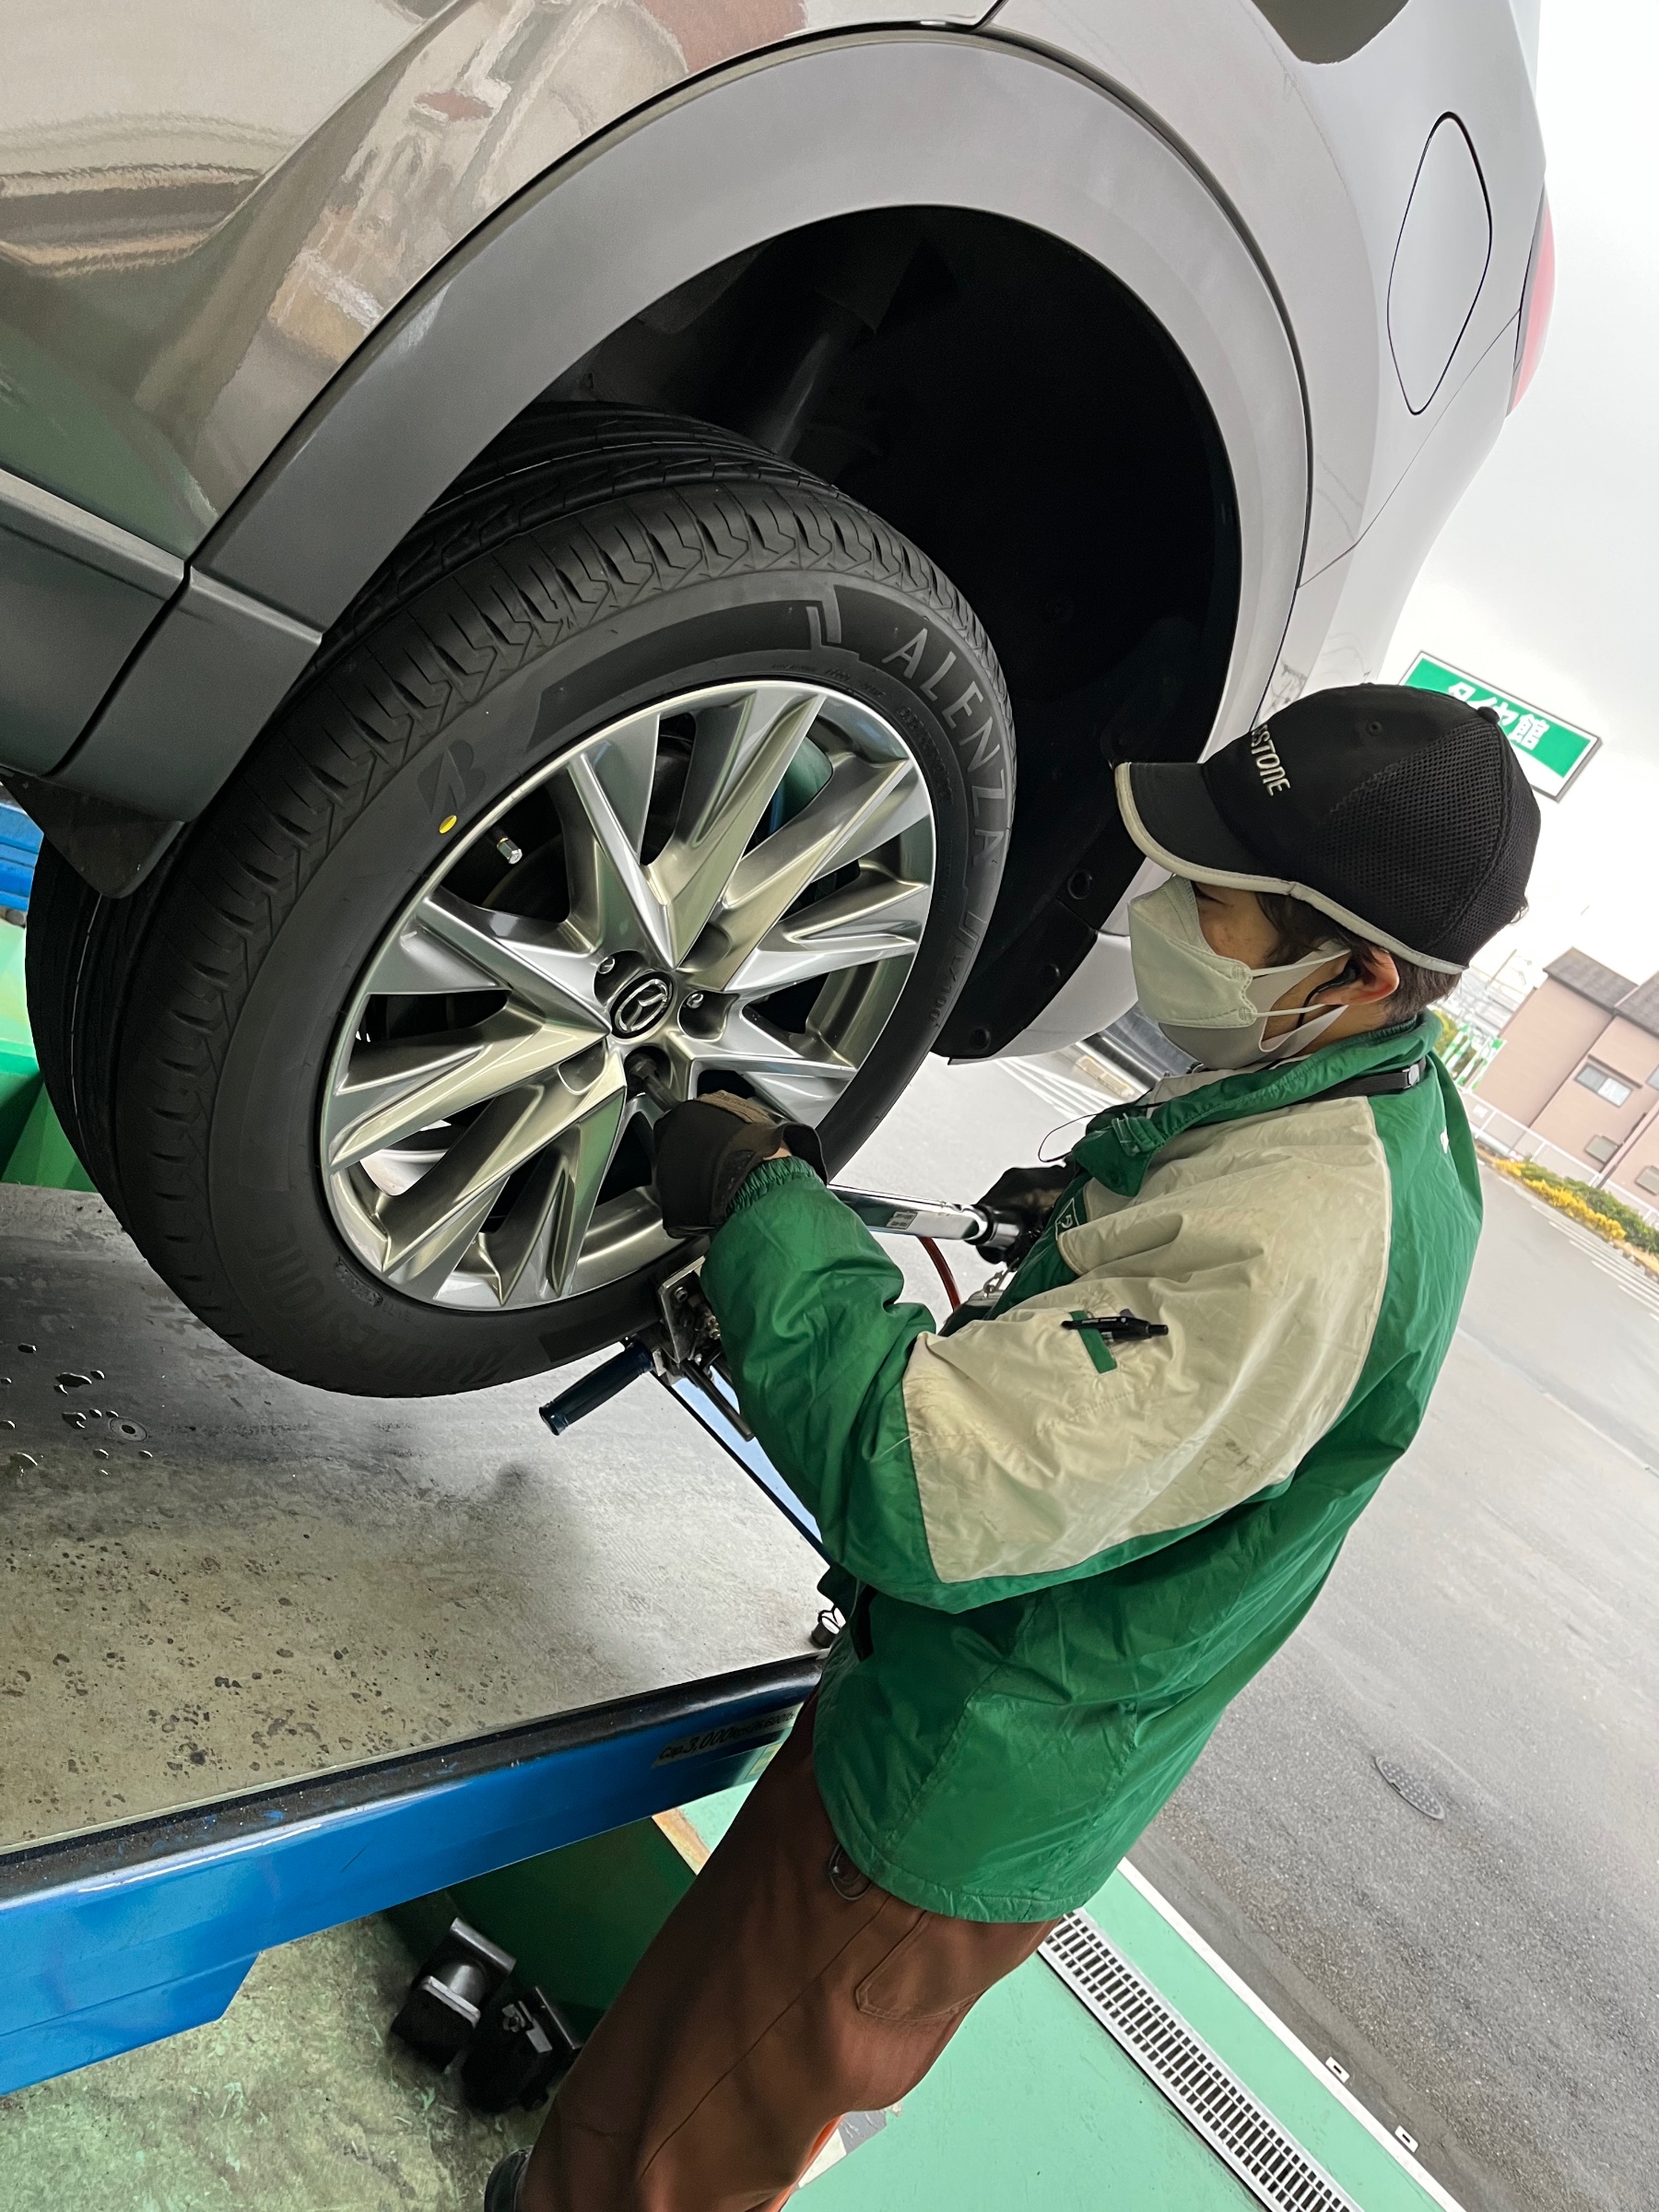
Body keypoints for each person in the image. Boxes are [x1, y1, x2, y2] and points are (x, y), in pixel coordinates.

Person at [487, 683, 1539, 2212]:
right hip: (971, 1701)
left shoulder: (1297, 1244)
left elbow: (920, 1486)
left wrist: (768, 1209)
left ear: (1358, 971)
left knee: (669, 2160)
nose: (1163, 911)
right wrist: (1112, 1219)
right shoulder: (1373, 1085)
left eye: (1216, 903)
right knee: (681, 2077)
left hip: (957, 1787)